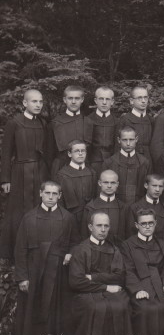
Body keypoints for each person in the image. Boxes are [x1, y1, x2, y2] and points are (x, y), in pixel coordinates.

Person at [13, 181, 80, 335]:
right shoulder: (29, 217)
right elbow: (20, 249)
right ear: (40, 193)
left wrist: (70, 253)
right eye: (47, 193)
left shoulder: (68, 218)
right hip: (33, 271)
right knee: (32, 307)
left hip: (58, 272)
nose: (51, 197)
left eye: (54, 194)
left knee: (55, 309)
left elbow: (75, 243)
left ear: (60, 196)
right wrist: (22, 277)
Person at [69, 211, 132, 335]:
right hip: (86, 293)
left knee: (121, 305)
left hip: (110, 290)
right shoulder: (81, 249)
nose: (103, 230)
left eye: (106, 226)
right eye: (99, 225)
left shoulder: (114, 249)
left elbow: (120, 276)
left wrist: (94, 277)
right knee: (94, 307)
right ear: (90, 227)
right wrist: (106, 287)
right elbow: (76, 281)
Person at [0, 89, 50, 260]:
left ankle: (35, 251)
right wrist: (5, 179)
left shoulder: (43, 123)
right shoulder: (14, 123)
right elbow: (6, 153)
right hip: (19, 172)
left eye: (40, 102)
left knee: (38, 207)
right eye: (34, 101)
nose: (38, 105)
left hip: (40, 171)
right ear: (24, 103)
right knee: (18, 212)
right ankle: (14, 254)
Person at [122, 209, 164, 335]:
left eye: (150, 223)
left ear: (156, 223)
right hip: (140, 285)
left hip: (160, 284)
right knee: (146, 308)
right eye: (143, 224)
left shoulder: (162, 244)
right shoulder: (127, 245)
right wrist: (137, 289)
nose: (147, 227)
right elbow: (128, 271)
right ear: (137, 225)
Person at [102, 126, 151, 205]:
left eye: (131, 140)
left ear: (136, 139)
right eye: (125, 140)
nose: (128, 143)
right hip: (115, 206)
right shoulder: (109, 163)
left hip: (139, 207)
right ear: (119, 140)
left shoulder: (145, 163)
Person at [48, 85, 89, 178]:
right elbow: (49, 153)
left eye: (77, 98)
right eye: (70, 98)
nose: (73, 102)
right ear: (64, 99)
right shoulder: (55, 123)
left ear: (82, 100)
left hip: (83, 170)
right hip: (60, 168)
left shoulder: (88, 122)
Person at [82, 170, 128, 247]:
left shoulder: (124, 207)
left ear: (117, 184)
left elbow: (127, 235)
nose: (109, 186)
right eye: (106, 182)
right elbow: (84, 234)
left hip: (118, 250)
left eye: (113, 183)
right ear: (100, 183)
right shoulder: (91, 207)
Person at [55, 140, 97, 226]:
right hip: (70, 218)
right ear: (69, 154)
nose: (80, 153)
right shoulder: (62, 174)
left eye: (83, 151)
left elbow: (95, 196)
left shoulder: (92, 173)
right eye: (77, 151)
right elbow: (60, 202)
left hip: (89, 217)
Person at [126, 174, 164, 243]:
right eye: (154, 186)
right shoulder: (135, 208)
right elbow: (130, 235)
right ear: (146, 185)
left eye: (160, 186)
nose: (157, 189)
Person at [118, 86, 154, 170]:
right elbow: (118, 145)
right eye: (139, 98)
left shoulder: (151, 120)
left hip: (148, 160)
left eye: (145, 97)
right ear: (131, 101)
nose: (143, 101)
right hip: (129, 159)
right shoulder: (125, 119)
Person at [86, 86, 117, 174]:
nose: (104, 102)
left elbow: (118, 146)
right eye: (101, 99)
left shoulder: (117, 121)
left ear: (112, 102)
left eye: (107, 99)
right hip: (92, 164)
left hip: (112, 163)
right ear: (95, 101)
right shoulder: (88, 120)